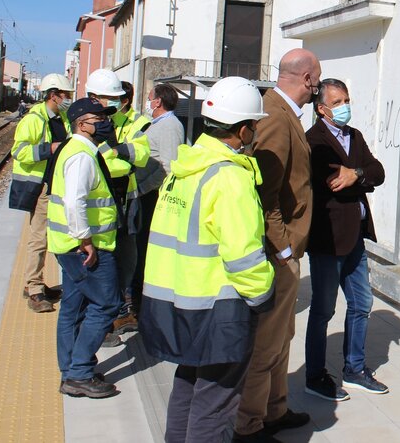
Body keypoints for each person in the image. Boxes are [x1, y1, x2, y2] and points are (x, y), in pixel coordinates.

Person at [140, 76, 275, 443]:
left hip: (180, 301)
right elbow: (244, 255)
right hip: (220, 308)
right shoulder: (230, 176)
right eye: (254, 125)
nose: (254, 132)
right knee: (216, 403)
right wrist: (263, 295)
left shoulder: (186, 166)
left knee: (187, 385)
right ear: (243, 129)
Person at [234, 49, 321, 443]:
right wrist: (283, 248)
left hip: (287, 249)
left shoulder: (285, 113)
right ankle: (249, 423)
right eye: (317, 82)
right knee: (267, 342)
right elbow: (265, 193)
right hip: (277, 251)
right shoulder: (273, 115)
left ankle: (275, 408)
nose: (317, 89)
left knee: (282, 335)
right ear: (307, 79)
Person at [304, 78, 388, 401]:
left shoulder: (355, 136)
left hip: (356, 238)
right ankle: (315, 375)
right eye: (337, 102)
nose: (344, 107)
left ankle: (354, 368)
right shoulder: (314, 141)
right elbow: (333, 182)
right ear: (322, 109)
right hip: (328, 239)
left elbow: (377, 171)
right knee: (323, 309)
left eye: (347, 100)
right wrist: (357, 176)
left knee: (362, 303)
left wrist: (358, 174)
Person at [46, 97, 121, 399]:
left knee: (73, 308)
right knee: (107, 304)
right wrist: (85, 239)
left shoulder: (75, 149)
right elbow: (74, 201)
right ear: (82, 124)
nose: (105, 123)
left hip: (69, 245)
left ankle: (71, 371)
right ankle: (79, 373)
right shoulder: (81, 156)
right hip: (87, 248)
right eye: (99, 119)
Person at [84, 70, 151, 337]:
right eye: (109, 97)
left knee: (127, 257)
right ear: (93, 97)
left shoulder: (134, 122)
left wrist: (113, 152)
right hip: (97, 203)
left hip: (126, 201)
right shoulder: (80, 121)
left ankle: (122, 311)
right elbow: (97, 163)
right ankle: (103, 315)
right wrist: (118, 158)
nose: (114, 102)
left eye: (116, 98)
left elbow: (141, 156)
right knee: (101, 260)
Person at [9, 72, 73, 313]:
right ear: (54, 95)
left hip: (56, 185)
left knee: (47, 237)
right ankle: (34, 290)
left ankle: (33, 282)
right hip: (41, 187)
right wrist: (50, 148)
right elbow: (19, 151)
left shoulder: (62, 118)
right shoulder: (34, 119)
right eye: (65, 94)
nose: (68, 98)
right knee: (39, 238)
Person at [133, 83, 185, 305]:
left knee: (144, 248)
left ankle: (140, 300)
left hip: (152, 196)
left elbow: (168, 167)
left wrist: (142, 188)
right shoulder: (157, 124)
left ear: (157, 102)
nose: (147, 102)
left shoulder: (170, 126)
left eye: (149, 98)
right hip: (144, 193)